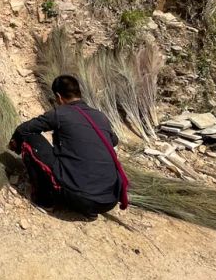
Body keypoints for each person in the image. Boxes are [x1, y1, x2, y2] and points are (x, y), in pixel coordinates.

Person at [8, 75, 128, 219]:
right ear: (79, 93)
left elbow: (24, 129)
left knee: (30, 139)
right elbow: (113, 141)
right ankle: (87, 206)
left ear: (58, 96)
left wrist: (14, 144)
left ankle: (44, 200)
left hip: (80, 199)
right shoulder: (100, 116)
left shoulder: (61, 114)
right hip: (109, 200)